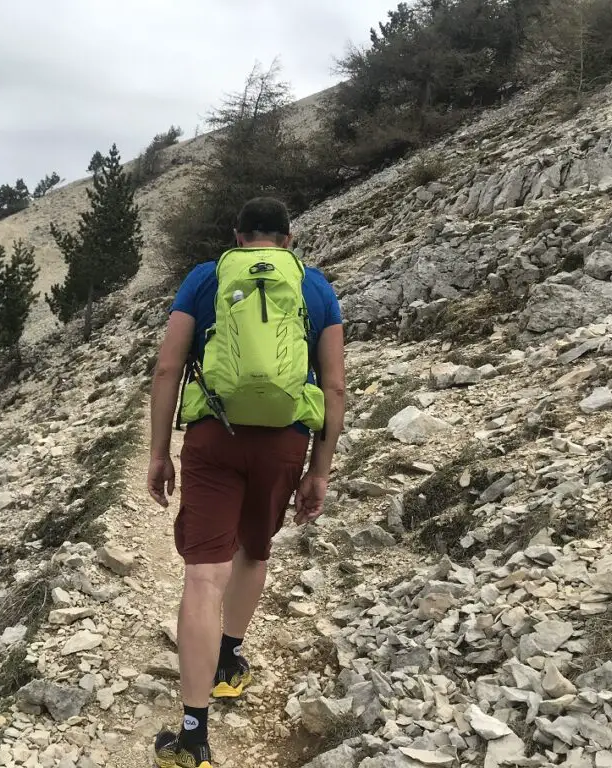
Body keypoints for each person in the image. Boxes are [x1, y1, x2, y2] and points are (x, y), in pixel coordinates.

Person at [146, 196, 346, 768]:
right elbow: (334, 387)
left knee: (203, 576)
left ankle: (192, 733)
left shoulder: (206, 278)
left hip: (214, 434)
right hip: (284, 441)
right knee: (253, 555)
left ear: (237, 235)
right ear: (288, 238)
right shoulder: (314, 286)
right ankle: (230, 662)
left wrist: (160, 453)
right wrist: (320, 471)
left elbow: (166, 367)